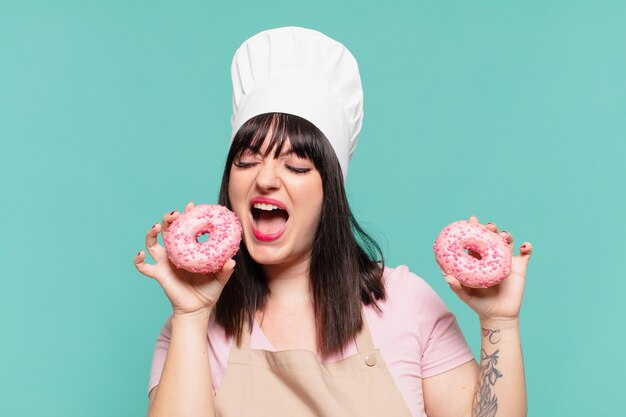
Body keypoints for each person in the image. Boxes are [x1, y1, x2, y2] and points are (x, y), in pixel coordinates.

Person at [134, 27, 533, 417]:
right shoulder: (195, 328)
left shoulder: (405, 302)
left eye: (295, 166)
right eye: (248, 161)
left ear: (332, 193)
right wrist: (189, 317)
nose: (266, 179)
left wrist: (499, 323)